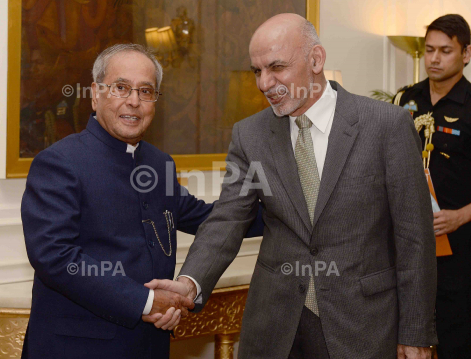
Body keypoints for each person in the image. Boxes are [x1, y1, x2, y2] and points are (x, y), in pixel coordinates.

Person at [147, 14, 437, 359]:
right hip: (274, 328)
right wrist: (189, 283)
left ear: (316, 59)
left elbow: (414, 238)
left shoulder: (385, 125)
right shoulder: (250, 134)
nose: (264, 83)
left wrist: (415, 334)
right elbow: (227, 220)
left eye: (276, 67)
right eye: (257, 71)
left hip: (362, 326)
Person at [20, 43, 263, 359]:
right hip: (77, 348)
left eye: (146, 91)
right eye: (121, 88)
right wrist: (146, 302)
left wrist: (292, 209)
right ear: (95, 94)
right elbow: (55, 256)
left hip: (149, 346)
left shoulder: (158, 163)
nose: (134, 101)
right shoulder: (59, 162)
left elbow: (211, 219)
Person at [393, 14, 471, 359]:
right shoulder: (404, 100)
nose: (435, 59)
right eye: (429, 50)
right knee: (407, 342)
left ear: (466, 54)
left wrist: (460, 216)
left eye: (445, 51)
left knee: (456, 341)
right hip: (408, 246)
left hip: (459, 250)